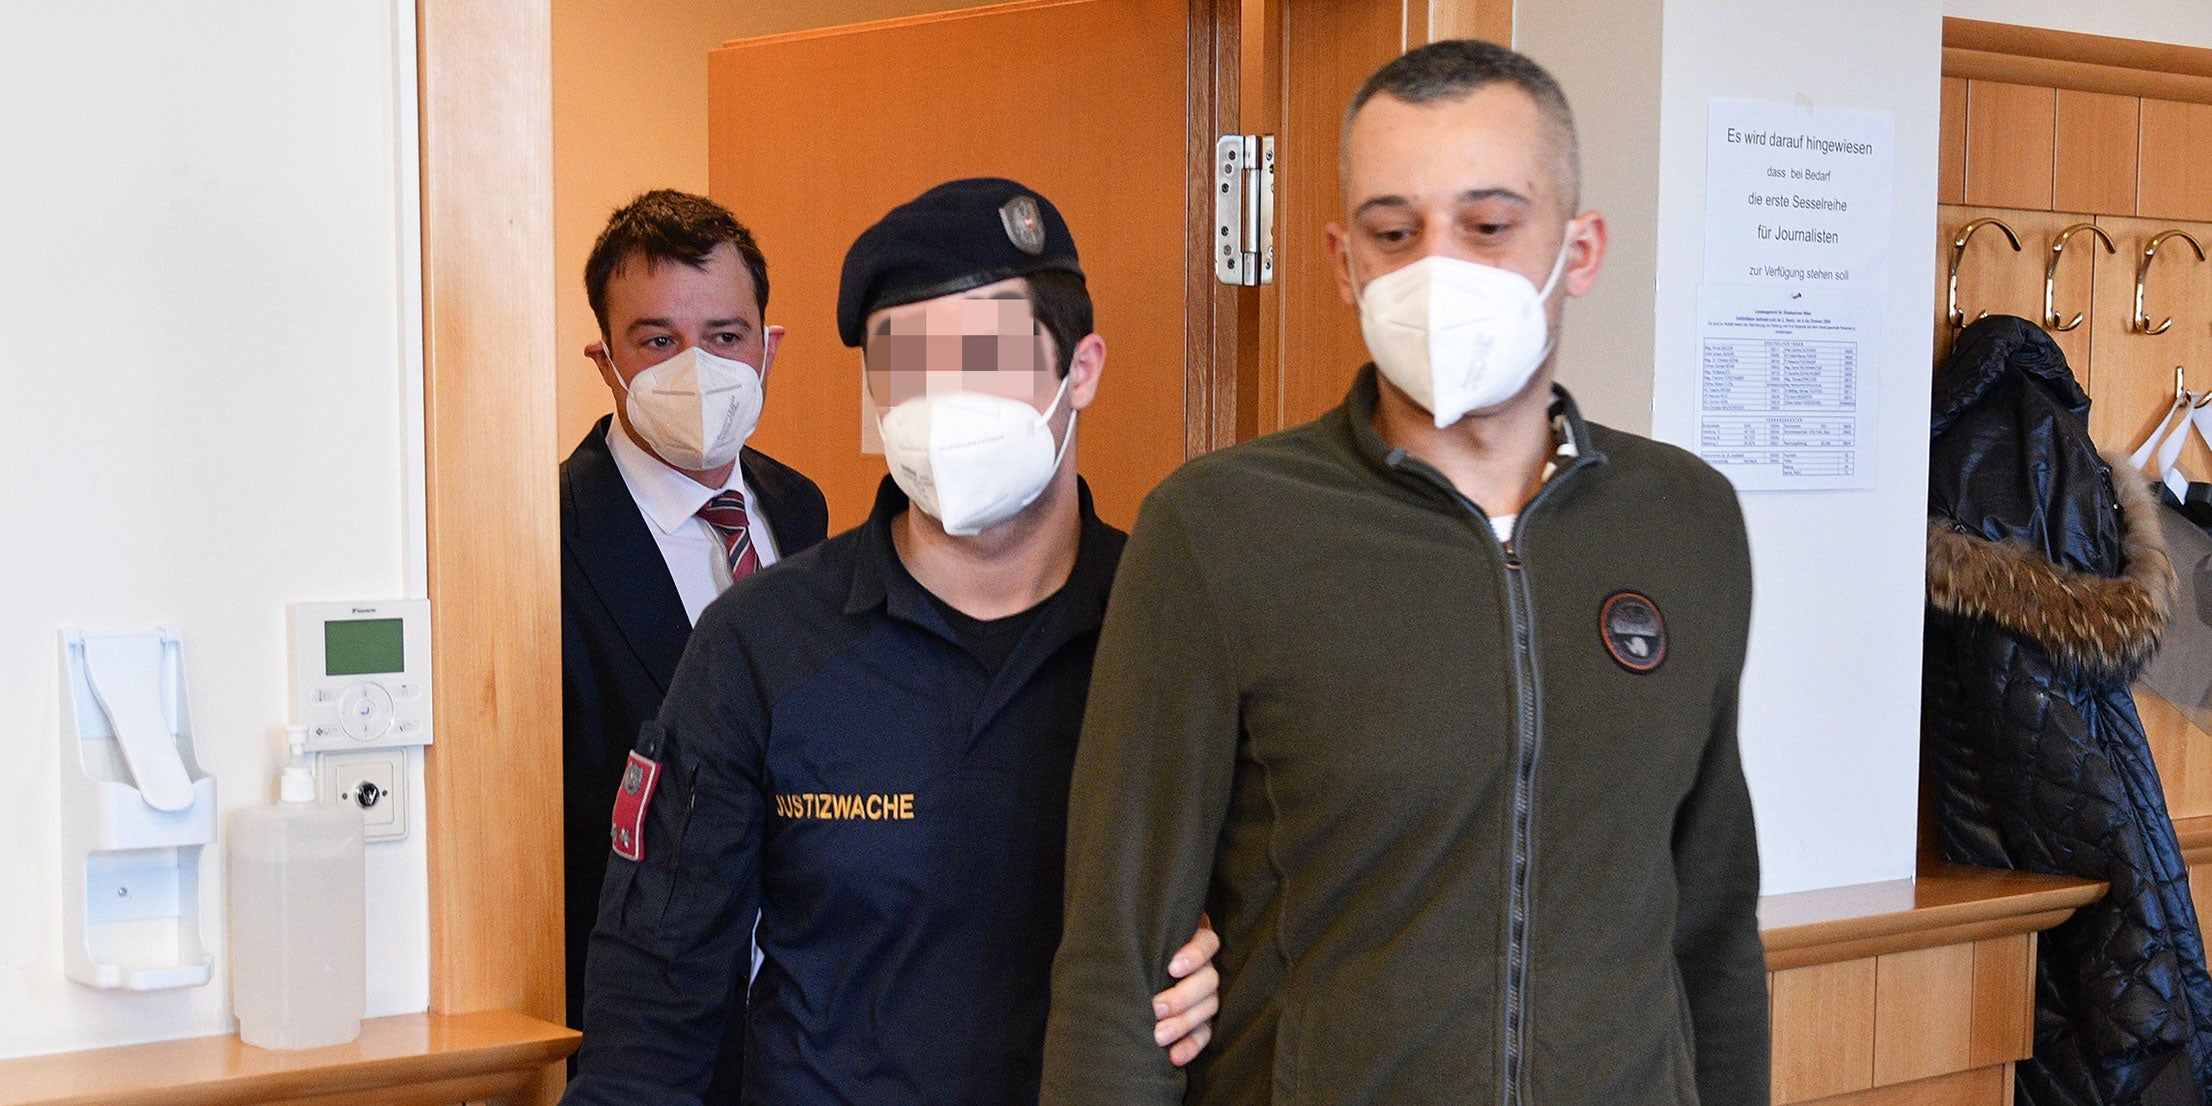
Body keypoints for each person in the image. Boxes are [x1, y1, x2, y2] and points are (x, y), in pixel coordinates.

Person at [1042, 40, 1770, 1105]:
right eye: (1395, 232)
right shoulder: (1220, 528)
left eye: (1489, 226)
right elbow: (1122, 957)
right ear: (1344, 264)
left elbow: (1711, 927)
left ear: (1579, 250)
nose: (1439, 267)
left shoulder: (1684, 520)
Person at [563, 178, 1218, 1106]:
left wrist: (1227, 961)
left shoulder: (1179, 629)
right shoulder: (760, 644)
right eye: (905, 366)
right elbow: (649, 1021)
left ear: (1082, 371)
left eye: (985, 356)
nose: (945, 399)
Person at [560, 189, 829, 1102]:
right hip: (649, 1032)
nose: (697, 367)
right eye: (657, 340)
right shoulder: (546, 534)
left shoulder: (799, 508)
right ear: (606, 362)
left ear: (768, 347)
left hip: (806, 1019)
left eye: (723, 336)